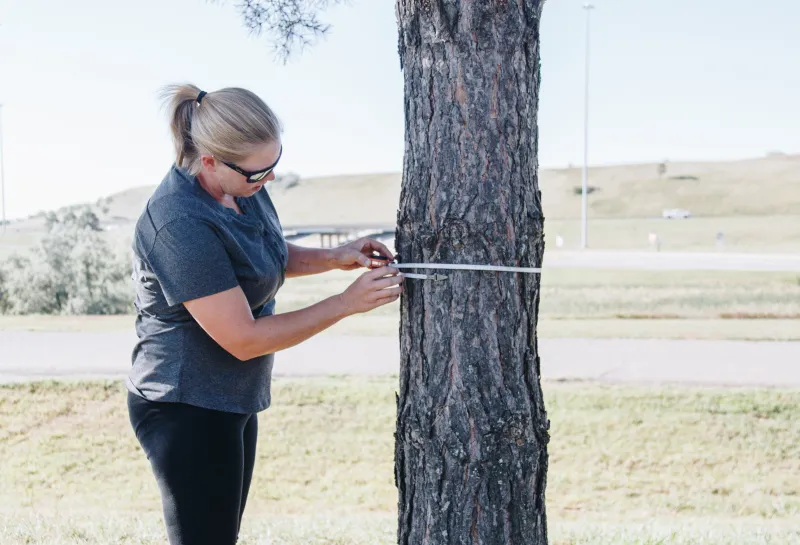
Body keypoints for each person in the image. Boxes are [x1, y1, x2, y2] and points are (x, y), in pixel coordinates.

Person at [125, 83, 403, 545]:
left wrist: (336, 256)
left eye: (274, 164)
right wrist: (346, 303)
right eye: (258, 172)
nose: (268, 179)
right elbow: (244, 337)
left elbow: (260, 259)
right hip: (184, 405)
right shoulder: (178, 224)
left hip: (232, 396)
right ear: (210, 160)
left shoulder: (242, 186)